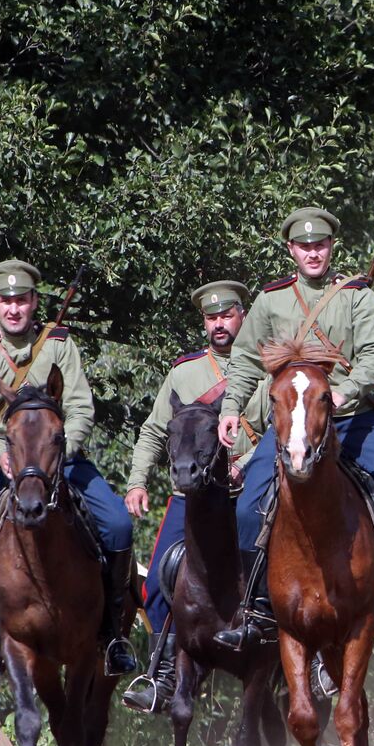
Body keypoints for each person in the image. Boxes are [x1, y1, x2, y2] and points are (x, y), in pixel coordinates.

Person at [214, 206, 374, 649]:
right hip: (291, 427)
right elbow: (245, 361)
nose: (313, 253)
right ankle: (257, 608)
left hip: (352, 419)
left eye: (320, 245)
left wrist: (349, 390)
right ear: (291, 251)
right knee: (248, 507)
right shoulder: (271, 300)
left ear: (330, 247)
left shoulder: (357, 296)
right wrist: (231, 407)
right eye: (304, 246)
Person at [0, 259, 138, 686]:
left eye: (22, 300)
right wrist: (2, 457)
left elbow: (82, 408)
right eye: (6, 301)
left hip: (57, 459)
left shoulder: (59, 344)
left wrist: (62, 450)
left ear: (34, 302)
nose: (14, 309)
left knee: (120, 527)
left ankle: (111, 635)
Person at [119, 281, 270, 713]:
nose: (219, 324)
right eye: (211, 318)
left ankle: (310, 655)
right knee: (159, 580)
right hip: (195, 496)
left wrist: (251, 461)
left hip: (252, 489)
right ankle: (162, 673)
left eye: (226, 315)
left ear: (244, 315)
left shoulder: (268, 364)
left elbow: (282, 426)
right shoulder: (185, 373)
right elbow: (153, 430)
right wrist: (137, 481)